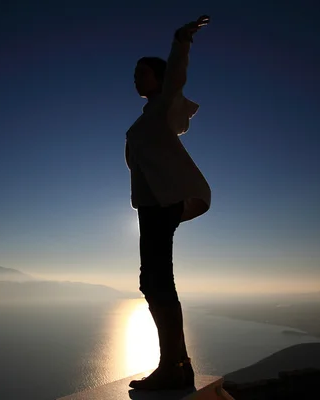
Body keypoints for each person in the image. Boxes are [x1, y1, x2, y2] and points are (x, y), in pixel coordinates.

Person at [126, 15, 212, 391]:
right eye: (135, 73)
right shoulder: (147, 118)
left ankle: (173, 366)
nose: (135, 77)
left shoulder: (161, 110)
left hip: (161, 206)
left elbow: (176, 77)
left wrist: (182, 42)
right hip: (151, 207)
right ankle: (177, 364)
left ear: (158, 81)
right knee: (153, 281)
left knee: (158, 282)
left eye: (142, 73)